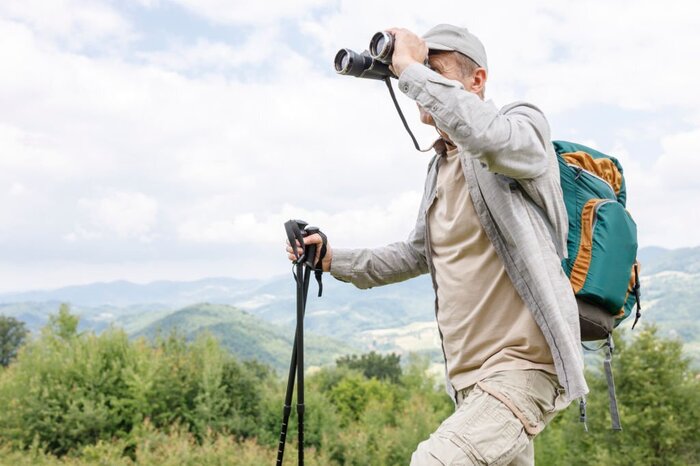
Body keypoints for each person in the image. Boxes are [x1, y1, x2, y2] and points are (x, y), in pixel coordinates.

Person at [286, 24, 587, 465]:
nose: (420, 84)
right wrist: (332, 259)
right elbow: (416, 254)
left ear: (477, 81)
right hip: (470, 385)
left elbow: (488, 137)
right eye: (420, 71)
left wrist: (407, 65)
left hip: (523, 369)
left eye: (436, 70)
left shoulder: (522, 128)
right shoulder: (439, 169)